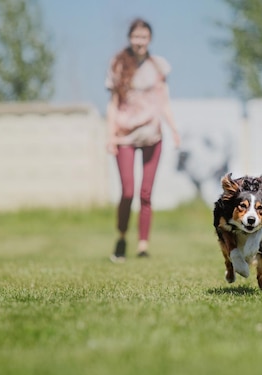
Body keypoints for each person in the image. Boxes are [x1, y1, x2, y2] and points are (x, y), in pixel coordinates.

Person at [105, 18, 180, 263]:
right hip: (125, 135)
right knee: (128, 192)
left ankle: (143, 245)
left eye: (144, 37)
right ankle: (122, 237)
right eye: (136, 37)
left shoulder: (158, 66)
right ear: (130, 38)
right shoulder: (118, 64)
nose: (139, 41)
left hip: (152, 135)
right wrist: (110, 135)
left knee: (145, 193)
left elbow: (164, 102)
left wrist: (174, 130)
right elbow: (113, 104)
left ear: (149, 39)